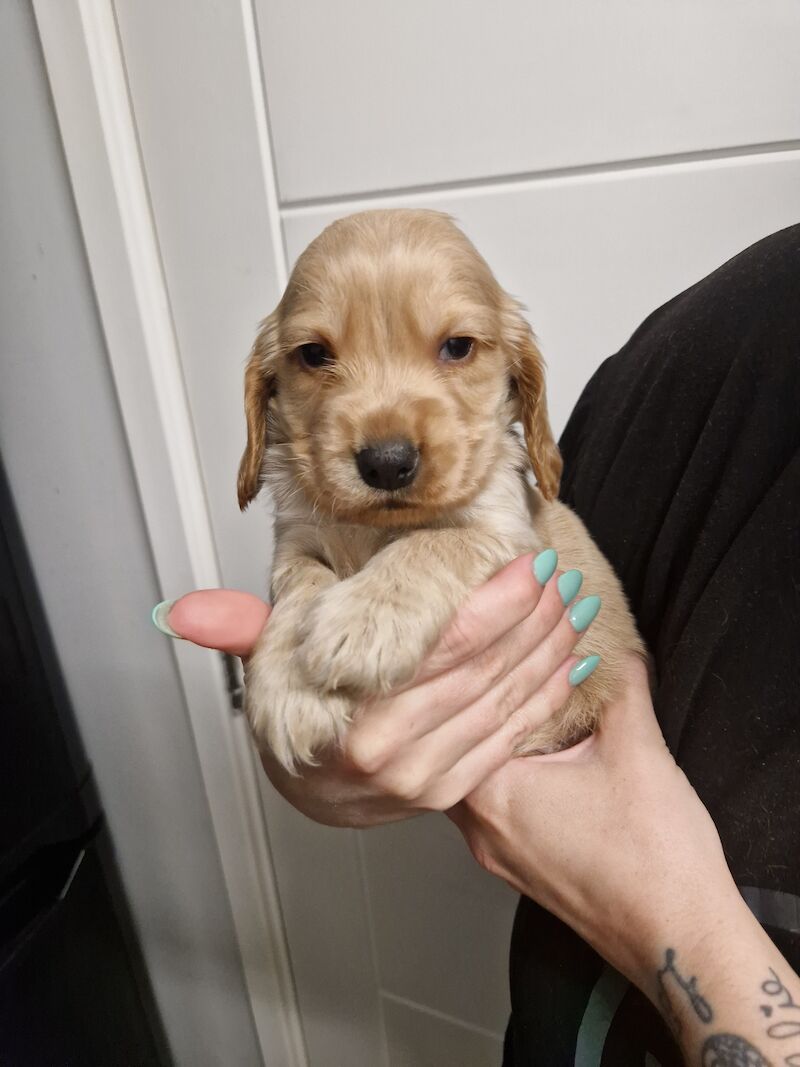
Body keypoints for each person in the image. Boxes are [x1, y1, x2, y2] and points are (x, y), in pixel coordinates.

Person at [153, 225, 800, 1064]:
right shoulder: (726, 340)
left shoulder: (507, 470)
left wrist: (680, 922)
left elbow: (503, 539)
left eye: (455, 346)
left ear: (519, 383)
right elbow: (307, 564)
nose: (386, 441)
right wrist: (301, 641)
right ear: (267, 391)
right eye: (318, 357)